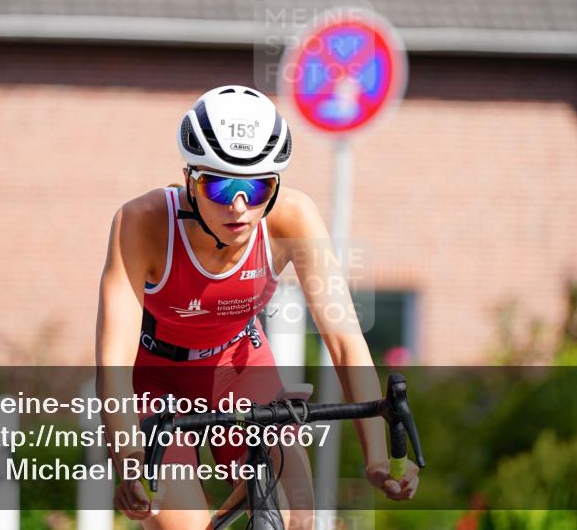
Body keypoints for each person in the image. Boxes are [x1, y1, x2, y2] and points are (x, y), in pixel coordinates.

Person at [96, 85, 419, 528]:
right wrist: (132, 460)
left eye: (256, 185)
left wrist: (378, 456)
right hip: (156, 376)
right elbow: (113, 362)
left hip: (239, 362)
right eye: (222, 184)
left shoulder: (292, 217)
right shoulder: (142, 223)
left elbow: (343, 339)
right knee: (180, 523)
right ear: (190, 179)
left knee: (297, 515)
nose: (241, 205)